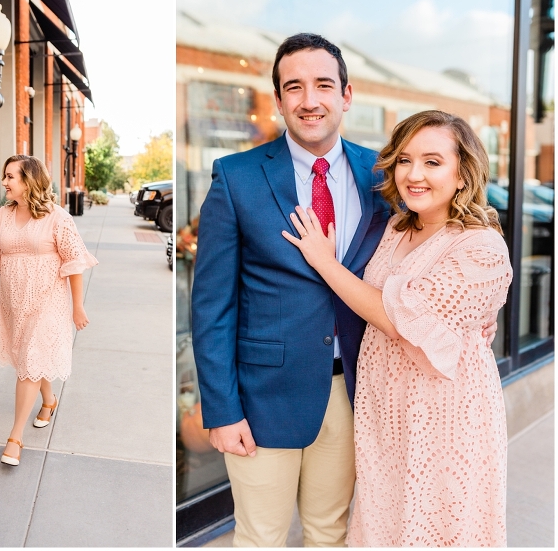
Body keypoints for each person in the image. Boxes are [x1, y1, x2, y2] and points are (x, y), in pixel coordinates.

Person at [191, 33, 498, 547]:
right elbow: (211, 307)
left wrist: (464, 317)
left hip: (357, 392)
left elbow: (430, 258)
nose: (309, 100)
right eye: (294, 87)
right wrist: (222, 410)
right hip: (262, 396)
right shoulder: (236, 177)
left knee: (331, 533)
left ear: (346, 95)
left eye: (323, 85)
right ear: (279, 99)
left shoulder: (384, 173)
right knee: (259, 535)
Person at [283, 110, 511, 546]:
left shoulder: (481, 245)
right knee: (385, 524)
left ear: (462, 173)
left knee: (436, 527)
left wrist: (324, 262)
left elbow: (395, 320)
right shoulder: (395, 227)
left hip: (445, 417)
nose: (414, 174)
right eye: (404, 160)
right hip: (386, 415)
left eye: (432, 161)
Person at [0, 155, 97, 466]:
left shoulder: (58, 218)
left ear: (29, 181)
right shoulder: (0, 217)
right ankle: (49, 401)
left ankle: (15, 438)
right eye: (5, 176)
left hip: (49, 300)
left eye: (11, 177)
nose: (5, 182)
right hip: (14, 301)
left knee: (31, 359)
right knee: (29, 358)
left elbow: (74, 263)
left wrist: (78, 306)